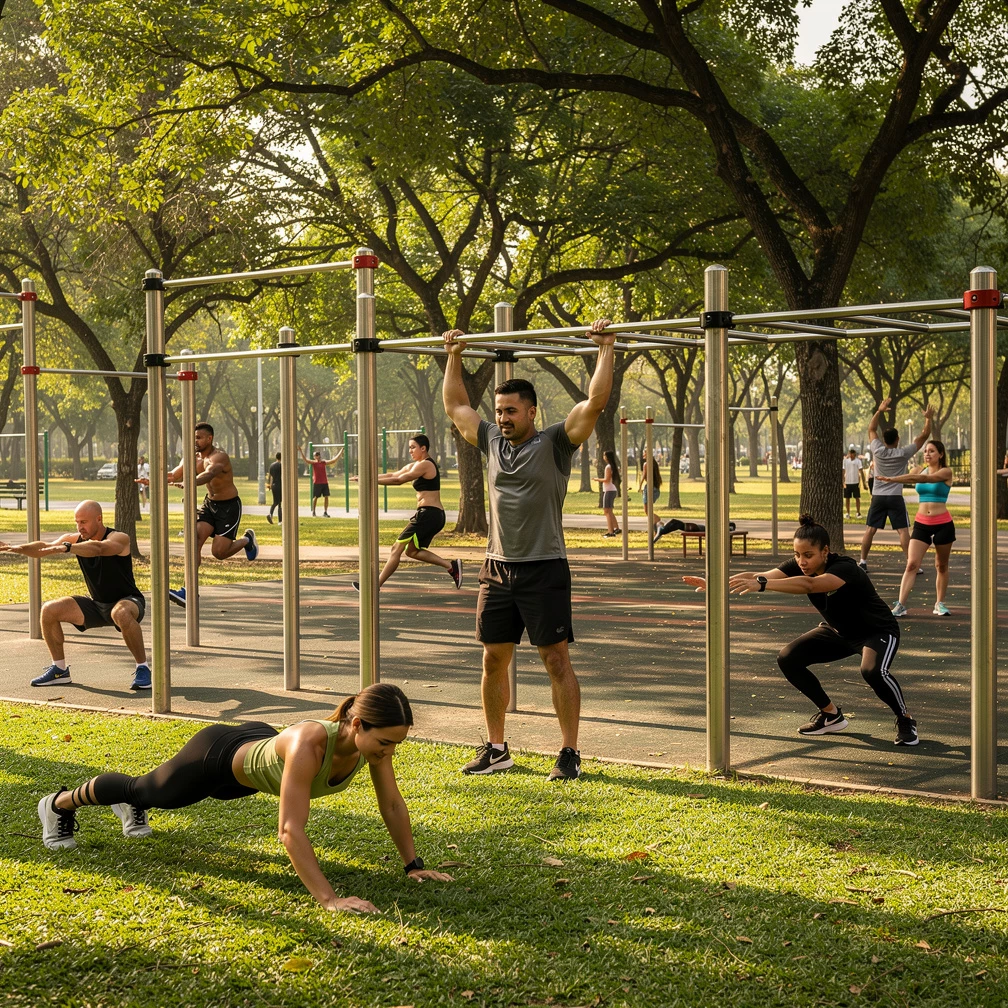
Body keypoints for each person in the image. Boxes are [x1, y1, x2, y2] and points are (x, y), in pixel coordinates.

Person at [36, 683, 454, 912]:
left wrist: (413, 866)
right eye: (384, 742)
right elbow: (290, 831)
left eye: (396, 744)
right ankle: (59, 804)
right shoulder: (312, 744)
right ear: (358, 724)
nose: (389, 753)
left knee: (151, 794)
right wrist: (329, 899)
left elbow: (393, 805)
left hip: (254, 758)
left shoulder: (372, 747)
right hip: (216, 758)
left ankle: (130, 806)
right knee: (146, 789)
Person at [442, 318, 615, 780]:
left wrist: (605, 347)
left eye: (511, 411)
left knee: (555, 659)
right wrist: (454, 355)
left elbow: (595, 402)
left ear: (532, 411)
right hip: (497, 568)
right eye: (499, 411)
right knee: (492, 658)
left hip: (544, 568)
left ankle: (569, 752)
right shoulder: (492, 443)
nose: (502, 418)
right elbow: (457, 404)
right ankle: (497, 748)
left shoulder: (556, 442)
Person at [684, 514, 918, 746]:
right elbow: (761, 576)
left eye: (808, 555)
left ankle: (905, 719)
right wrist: (716, 583)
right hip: (838, 632)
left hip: (876, 631)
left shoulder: (845, 568)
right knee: (788, 658)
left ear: (825, 551)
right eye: (797, 555)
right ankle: (831, 715)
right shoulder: (799, 565)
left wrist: (762, 585)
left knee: (872, 672)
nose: (801, 561)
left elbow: (811, 585)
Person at [0, 500, 151, 691]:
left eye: (84, 522)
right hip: (97, 605)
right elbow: (44, 547)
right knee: (49, 610)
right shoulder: (74, 539)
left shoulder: (119, 538)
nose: (80, 527)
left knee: (120, 613)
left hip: (129, 601)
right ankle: (59, 669)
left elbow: (99, 549)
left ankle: (143, 668)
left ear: (99, 519)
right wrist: (16, 548)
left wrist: (68, 548)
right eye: (77, 522)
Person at [165, 423, 259, 608]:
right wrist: (151, 479)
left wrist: (190, 482)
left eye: (199, 437)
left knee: (219, 553)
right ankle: (189, 591)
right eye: (193, 437)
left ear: (210, 438)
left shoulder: (219, 457)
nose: (195, 441)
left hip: (229, 507)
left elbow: (209, 474)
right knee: (195, 541)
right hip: (209, 505)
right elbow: (173, 475)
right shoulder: (192, 458)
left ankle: (247, 540)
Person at [350, 434, 461, 589]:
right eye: (409, 447)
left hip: (429, 514)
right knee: (412, 552)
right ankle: (451, 566)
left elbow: (399, 480)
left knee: (396, 548)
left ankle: (373, 587)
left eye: (413, 447)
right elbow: (392, 475)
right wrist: (366, 476)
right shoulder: (415, 465)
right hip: (430, 514)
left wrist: (368, 481)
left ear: (423, 448)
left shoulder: (426, 465)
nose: (410, 450)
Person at [878, 439, 955, 617]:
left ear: (941, 454)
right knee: (912, 564)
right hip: (922, 524)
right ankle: (900, 605)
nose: (927, 454)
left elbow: (924, 479)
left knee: (941, 566)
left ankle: (939, 603)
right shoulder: (917, 469)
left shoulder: (946, 472)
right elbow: (914, 475)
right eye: (926, 451)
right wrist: (892, 477)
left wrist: (893, 479)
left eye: (932, 451)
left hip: (943, 524)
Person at [858, 400, 933, 571]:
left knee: (870, 530)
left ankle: (862, 561)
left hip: (878, 496)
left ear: (883, 439)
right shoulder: (903, 453)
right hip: (895, 497)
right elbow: (923, 436)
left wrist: (879, 410)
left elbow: (871, 429)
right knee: (902, 531)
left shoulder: (877, 449)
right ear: (897, 439)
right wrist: (928, 419)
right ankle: (910, 563)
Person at [299, 444, 344, 517]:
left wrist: (341, 451)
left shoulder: (323, 462)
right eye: (315, 455)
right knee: (315, 497)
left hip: (324, 482)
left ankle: (325, 512)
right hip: (317, 483)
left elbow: (333, 460)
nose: (317, 456)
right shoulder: (314, 463)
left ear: (319, 456)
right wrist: (301, 451)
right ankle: (313, 511)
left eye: (318, 455)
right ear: (314, 457)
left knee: (326, 496)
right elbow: (306, 460)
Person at [637, 450, 666, 543]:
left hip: (649, 488)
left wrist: (640, 486)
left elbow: (644, 475)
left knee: (647, 511)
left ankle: (659, 522)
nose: (643, 455)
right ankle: (656, 531)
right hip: (655, 489)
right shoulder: (654, 464)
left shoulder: (646, 464)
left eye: (645, 453)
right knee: (648, 511)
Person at [594, 449, 621, 537]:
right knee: (609, 511)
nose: (603, 457)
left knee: (606, 511)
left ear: (607, 457)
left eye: (604, 455)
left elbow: (607, 480)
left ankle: (611, 532)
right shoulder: (612, 466)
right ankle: (616, 528)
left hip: (609, 490)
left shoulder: (608, 467)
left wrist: (597, 479)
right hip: (611, 490)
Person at [842, 445, 867, 519]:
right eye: (850, 453)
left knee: (857, 497)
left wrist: (863, 482)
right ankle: (847, 513)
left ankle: (858, 512)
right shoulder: (845, 461)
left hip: (855, 482)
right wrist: (843, 481)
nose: (851, 455)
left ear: (855, 454)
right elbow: (843, 471)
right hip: (847, 482)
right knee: (847, 498)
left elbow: (861, 471)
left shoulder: (858, 461)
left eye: (853, 454)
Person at [267, 452, 282, 524]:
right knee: (279, 503)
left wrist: (270, 485)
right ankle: (280, 521)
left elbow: (271, 476)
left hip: (273, 485)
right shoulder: (281, 465)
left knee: (275, 502)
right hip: (280, 485)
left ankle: (270, 514)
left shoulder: (272, 465)